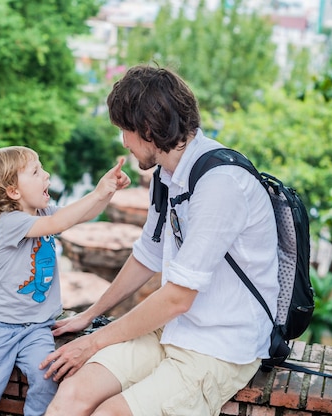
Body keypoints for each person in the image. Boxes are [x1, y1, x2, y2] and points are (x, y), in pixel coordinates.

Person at [40, 65, 280, 416]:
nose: (123, 141)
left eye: (125, 130)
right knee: (73, 392)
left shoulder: (220, 186)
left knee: (111, 413)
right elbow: (147, 256)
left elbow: (177, 298)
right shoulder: (167, 176)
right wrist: (90, 315)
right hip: (172, 331)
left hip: (219, 346)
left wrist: (92, 342)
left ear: (148, 130)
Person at [0, 146, 130, 416]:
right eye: (36, 172)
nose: (47, 175)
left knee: (46, 378)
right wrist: (97, 192)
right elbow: (59, 222)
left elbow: (81, 215)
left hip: (37, 329)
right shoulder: (12, 222)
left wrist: (107, 190)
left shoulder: (44, 212)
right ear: (14, 191)